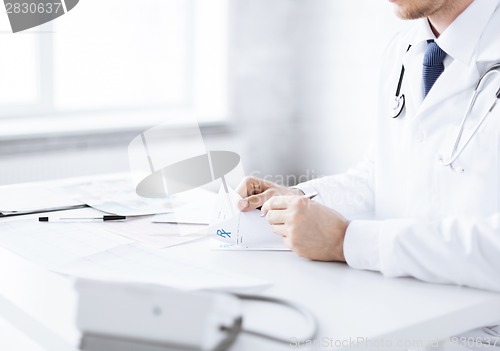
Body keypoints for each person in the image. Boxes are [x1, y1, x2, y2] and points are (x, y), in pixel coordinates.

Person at [236, 0, 500, 349]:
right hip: (406, 309)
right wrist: (299, 200)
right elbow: (380, 177)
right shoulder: (403, 51)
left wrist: (346, 241)